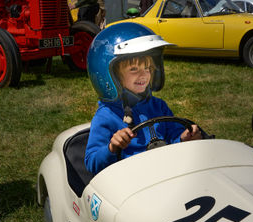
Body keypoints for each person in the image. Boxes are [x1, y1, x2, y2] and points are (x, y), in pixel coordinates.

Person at [85, 23, 202, 174]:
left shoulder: (159, 106)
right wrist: (111, 147)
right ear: (111, 76)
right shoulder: (106, 116)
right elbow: (91, 163)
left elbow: (174, 137)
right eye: (134, 69)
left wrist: (184, 137)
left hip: (164, 174)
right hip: (129, 183)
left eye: (147, 68)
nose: (144, 75)